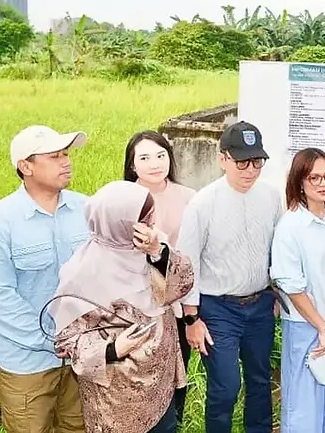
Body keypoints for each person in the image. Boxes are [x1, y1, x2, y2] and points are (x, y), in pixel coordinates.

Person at [0, 125, 90, 433]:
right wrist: (52, 341)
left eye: (66, 154)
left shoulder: (87, 209)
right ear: (26, 166)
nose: (66, 162)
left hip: (82, 359)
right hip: (27, 364)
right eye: (54, 156)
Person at [51, 181, 195, 433]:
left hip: (160, 383)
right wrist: (112, 350)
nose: (151, 225)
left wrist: (158, 252)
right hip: (116, 397)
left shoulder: (151, 247)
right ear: (118, 225)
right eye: (144, 220)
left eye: (151, 216)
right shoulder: (84, 274)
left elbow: (182, 284)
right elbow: (68, 341)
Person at [177, 120, 284, 433]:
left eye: (257, 162)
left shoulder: (270, 196)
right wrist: (191, 319)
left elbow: (278, 248)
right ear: (222, 159)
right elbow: (187, 264)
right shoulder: (202, 203)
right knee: (226, 385)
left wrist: (277, 292)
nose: (250, 171)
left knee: (259, 381)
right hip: (217, 308)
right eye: (242, 163)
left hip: (260, 304)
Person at [270, 148, 325, 433]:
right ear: (300, 182)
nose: (323, 183)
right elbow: (292, 286)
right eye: (314, 178)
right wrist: (321, 327)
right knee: (303, 413)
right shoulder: (290, 226)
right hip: (306, 327)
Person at [123, 129, 197, 427]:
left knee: (177, 373)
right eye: (144, 158)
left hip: (177, 299)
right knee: (140, 378)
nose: (154, 163)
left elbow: (194, 254)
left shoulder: (190, 198)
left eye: (160, 155)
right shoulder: (121, 199)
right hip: (136, 305)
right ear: (132, 165)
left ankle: (173, 422)